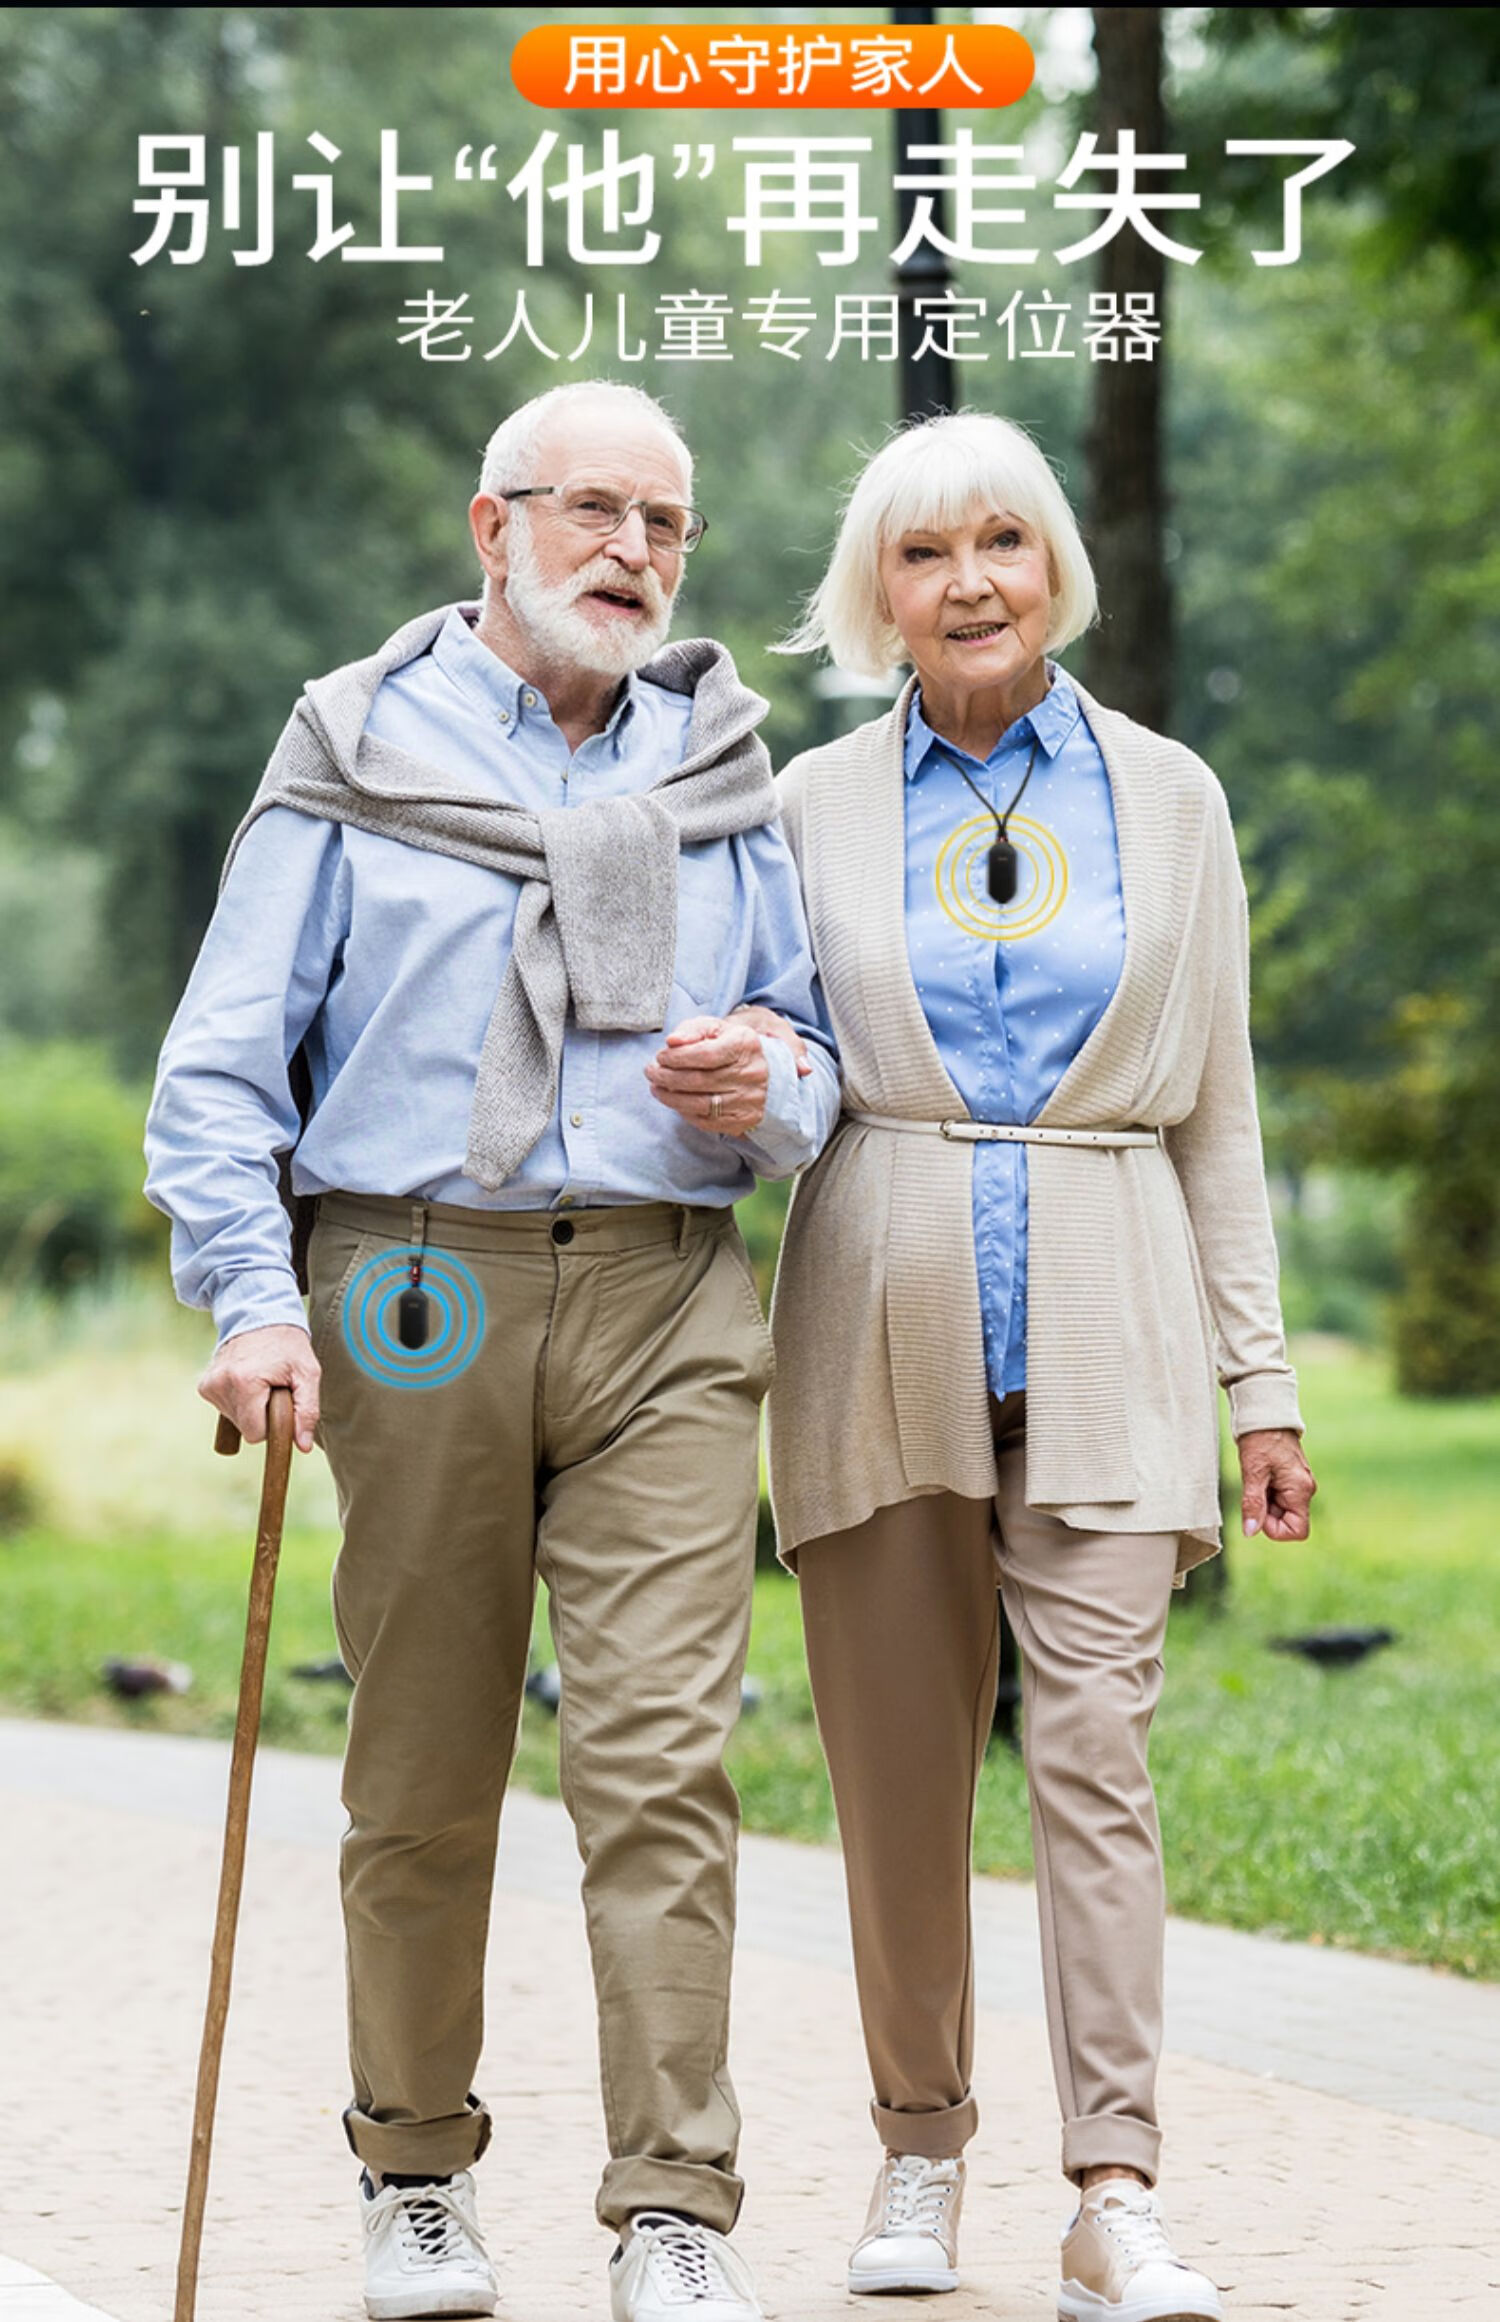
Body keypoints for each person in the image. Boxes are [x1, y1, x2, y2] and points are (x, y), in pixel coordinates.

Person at [144, 379, 840, 2322]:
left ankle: (675, 2209)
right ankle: (414, 2176)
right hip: (408, 1285)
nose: (632, 552)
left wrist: (767, 1078)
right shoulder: (354, 745)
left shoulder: (722, 766)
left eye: (667, 525)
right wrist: (254, 1300)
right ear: (492, 526)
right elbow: (217, 1067)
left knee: (661, 1765)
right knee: (427, 1763)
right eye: (593, 510)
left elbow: (816, 1047)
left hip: (665, 1288)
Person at [765, 411, 1316, 2322]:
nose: (973, 581)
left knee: (1094, 1753)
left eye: (1005, 539)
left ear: (1056, 562)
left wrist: (1266, 1383)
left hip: (1115, 1309)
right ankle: (920, 2150)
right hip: (875, 1313)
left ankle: (1114, 2190)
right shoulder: (808, 803)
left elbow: (1220, 1115)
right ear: (880, 597)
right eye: (928, 555)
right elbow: (773, 1059)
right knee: (900, 1771)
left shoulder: (1173, 798)